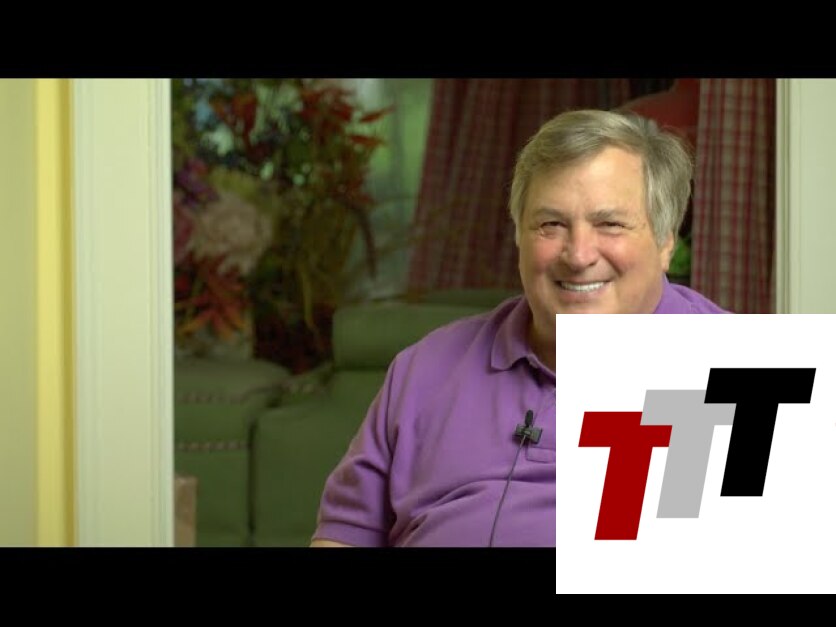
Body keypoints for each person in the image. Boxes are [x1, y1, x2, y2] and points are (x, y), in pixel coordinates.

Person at [310, 108, 728, 548]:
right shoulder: (423, 370)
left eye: (610, 224)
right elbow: (344, 535)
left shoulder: (732, 373)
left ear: (665, 242)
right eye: (551, 225)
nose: (579, 255)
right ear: (518, 236)